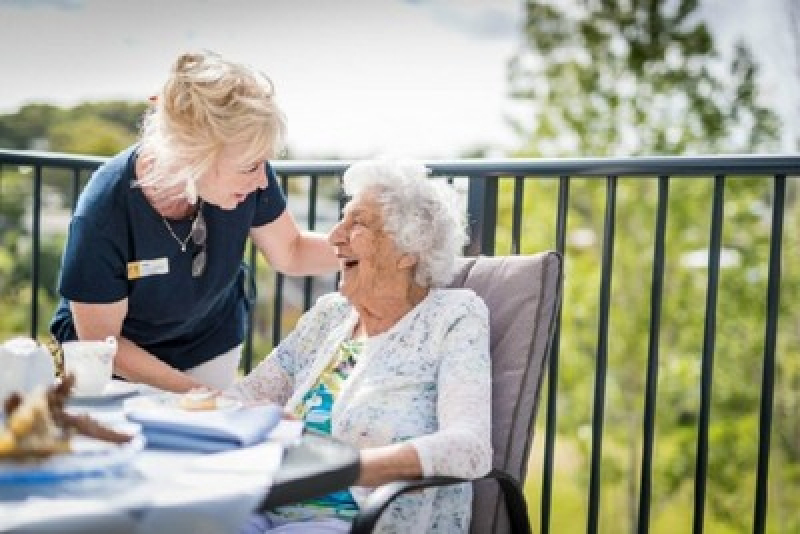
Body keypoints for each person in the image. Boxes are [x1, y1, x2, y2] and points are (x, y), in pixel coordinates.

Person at [49, 50, 338, 393]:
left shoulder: (248, 177)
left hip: (210, 341)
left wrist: (373, 250)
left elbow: (291, 251)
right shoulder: (104, 210)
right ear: (193, 155)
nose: (263, 181)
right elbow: (103, 341)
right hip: (115, 363)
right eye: (249, 167)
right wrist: (198, 396)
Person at [228, 159, 492, 533]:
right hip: (266, 509)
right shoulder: (329, 317)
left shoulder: (452, 317)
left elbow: (470, 447)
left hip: (361, 522)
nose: (334, 236)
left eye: (357, 225)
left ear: (408, 250)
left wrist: (342, 467)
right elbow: (244, 396)